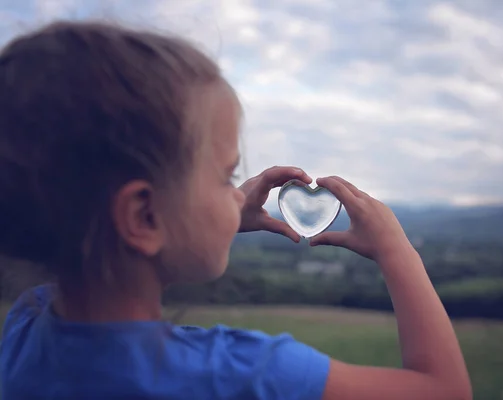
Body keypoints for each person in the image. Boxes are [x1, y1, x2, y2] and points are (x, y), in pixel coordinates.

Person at [0, 20, 471, 400]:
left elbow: (104, 263)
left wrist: (206, 220)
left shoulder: (24, 328)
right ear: (144, 217)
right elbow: (444, 391)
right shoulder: (245, 375)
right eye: (226, 178)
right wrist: (397, 250)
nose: (236, 194)